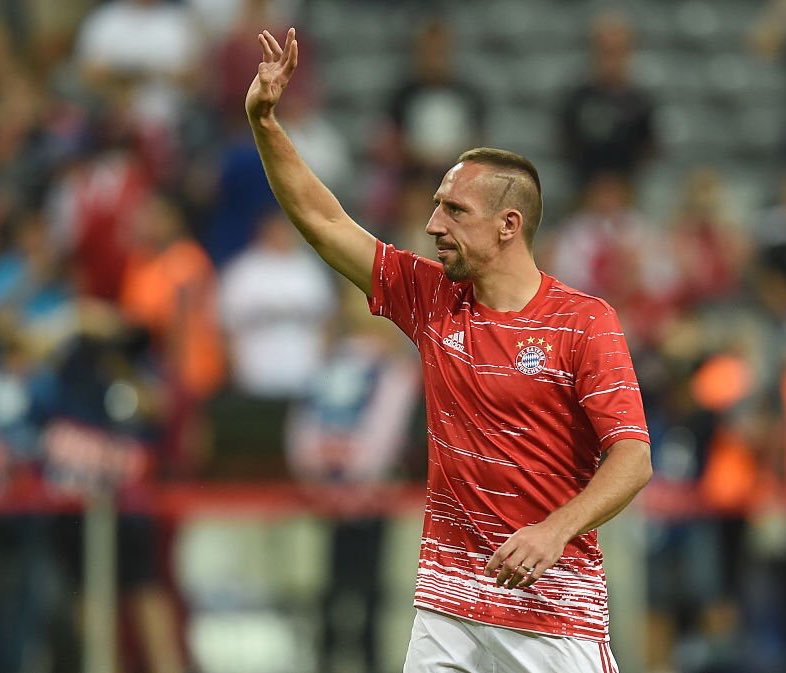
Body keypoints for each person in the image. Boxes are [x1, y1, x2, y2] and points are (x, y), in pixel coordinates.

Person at [245, 28, 652, 673]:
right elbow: (323, 223)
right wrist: (265, 123)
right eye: (436, 206)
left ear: (508, 225)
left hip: (552, 614)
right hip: (448, 609)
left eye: (454, 211)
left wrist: (553, 530)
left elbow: (632, 458)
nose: (433, 224)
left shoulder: (583, 321)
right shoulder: (432, 298)